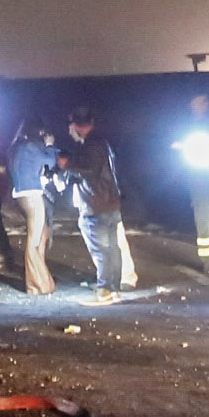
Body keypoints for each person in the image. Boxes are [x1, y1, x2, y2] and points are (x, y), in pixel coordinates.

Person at [59, 104, 131, 295]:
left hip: (96, 204)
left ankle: (105, 288)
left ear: (76, 126)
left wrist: (68, 164)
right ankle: (113, 286)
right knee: (112, 248)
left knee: (102, 250)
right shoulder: (102, 143)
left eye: (70, 127)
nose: (69, 131)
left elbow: (90, 169)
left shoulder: (91, 145)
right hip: (110, 202)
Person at [173, 92, 209, 255]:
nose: (204, 104)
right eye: (200, 101)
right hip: (196, 174)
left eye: (205, 101)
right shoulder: (183, 125)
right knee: (202, 215)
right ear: (191, 104)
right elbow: (173, 144)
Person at [6, 119, 60, 295]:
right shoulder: (29, 147)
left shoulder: (15, 147)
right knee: (34, 239)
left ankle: (39, 277)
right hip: (31, 194)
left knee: (42, 233)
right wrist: (50, 145)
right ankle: (36, 284)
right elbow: (50, 161)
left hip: (21, 194)